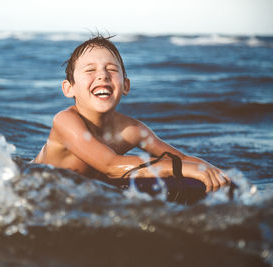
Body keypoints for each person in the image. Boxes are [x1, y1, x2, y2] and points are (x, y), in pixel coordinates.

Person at [33, 35, 230, 193]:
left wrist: (217, 174)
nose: (102, 75)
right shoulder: (65, 121)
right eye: (90, 70)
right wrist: (182, 169)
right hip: (37, 187)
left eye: (111, 69)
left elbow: (181, 158)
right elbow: (111, 165)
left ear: (125, 86)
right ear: (69, 89)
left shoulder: (131, 130)